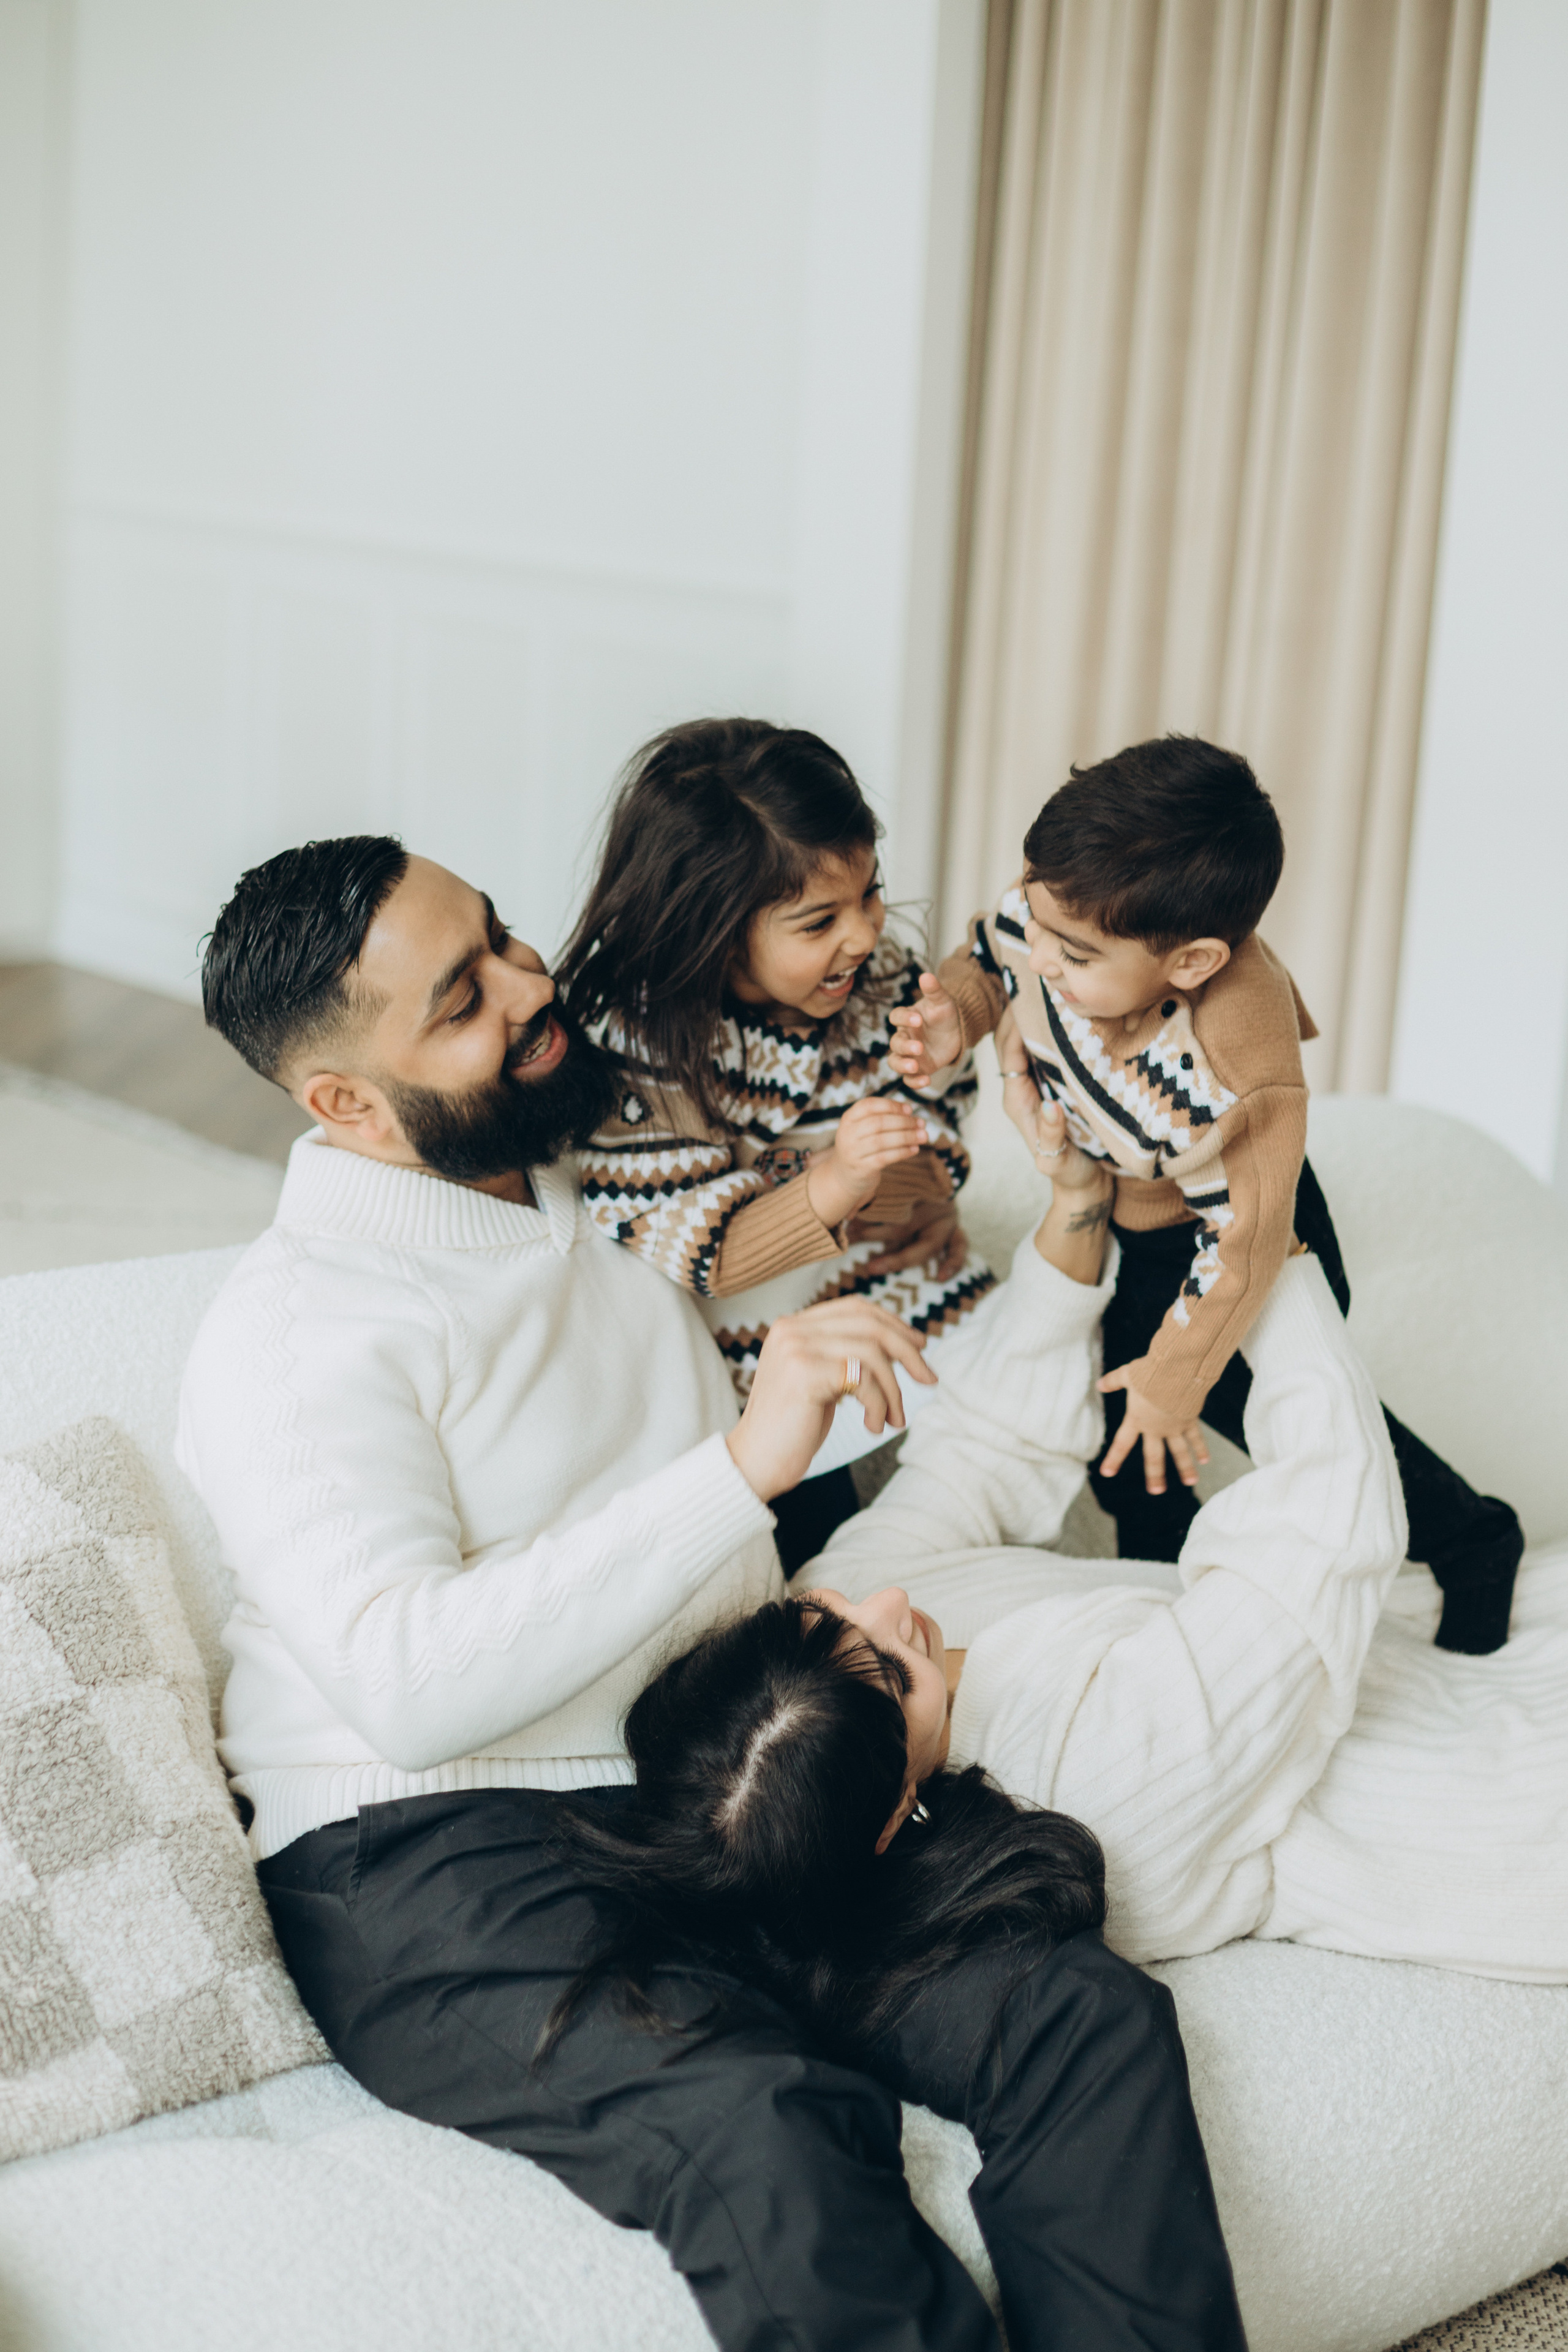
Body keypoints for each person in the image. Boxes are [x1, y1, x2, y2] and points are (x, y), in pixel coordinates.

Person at [176, 834, 1248, 2352]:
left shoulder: (617, 1186)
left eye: (503, 939)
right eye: (464, 998)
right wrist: (736, 1470)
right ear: (345, 1101)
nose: (534, 991)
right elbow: (407, 1690)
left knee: (1080, 2018)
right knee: (769, 2127)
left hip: (713, 1779)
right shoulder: (296, 1335)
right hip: (434, 1852)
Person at [680, 1086, 1567, 1983]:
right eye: (898, 1673)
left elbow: (983, 1456)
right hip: (1496, 1801)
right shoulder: (1108, 1793)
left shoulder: (834, 1645)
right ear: (890, 1818)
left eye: (827, 1615)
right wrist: (1262, 1249)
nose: (889, 1604)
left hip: (1416, 1659)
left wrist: (1076, 1205)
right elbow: (1329, 1525)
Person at [888, 733, 1523, 1653]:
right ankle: (1160, 1594)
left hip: (1248, 1239)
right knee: (1125, 1429)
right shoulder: (1060, 913)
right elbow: (991, 957)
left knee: (1278, 1419)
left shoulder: (1239, 1067)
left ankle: (1474, 1539)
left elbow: (1248, 1245)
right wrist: (955, 1015)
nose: (1045, 962)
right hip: (1137, 1223)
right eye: (1039, 921)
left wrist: (1177, 1378)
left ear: (1188, 964)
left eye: (1074, 956)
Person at [559, 718, 995, 1570]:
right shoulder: (637, 1047)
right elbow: (703, 1251)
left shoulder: (875, 984)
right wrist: (836, 1179)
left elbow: (935, 1130)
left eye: (870, 895)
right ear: (712, 934)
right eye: (819, 920)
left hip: (891, 1285)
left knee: (1018, 1411)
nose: (865, 935)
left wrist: (923, 1173)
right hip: (750, 1341)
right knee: (802, 1535)